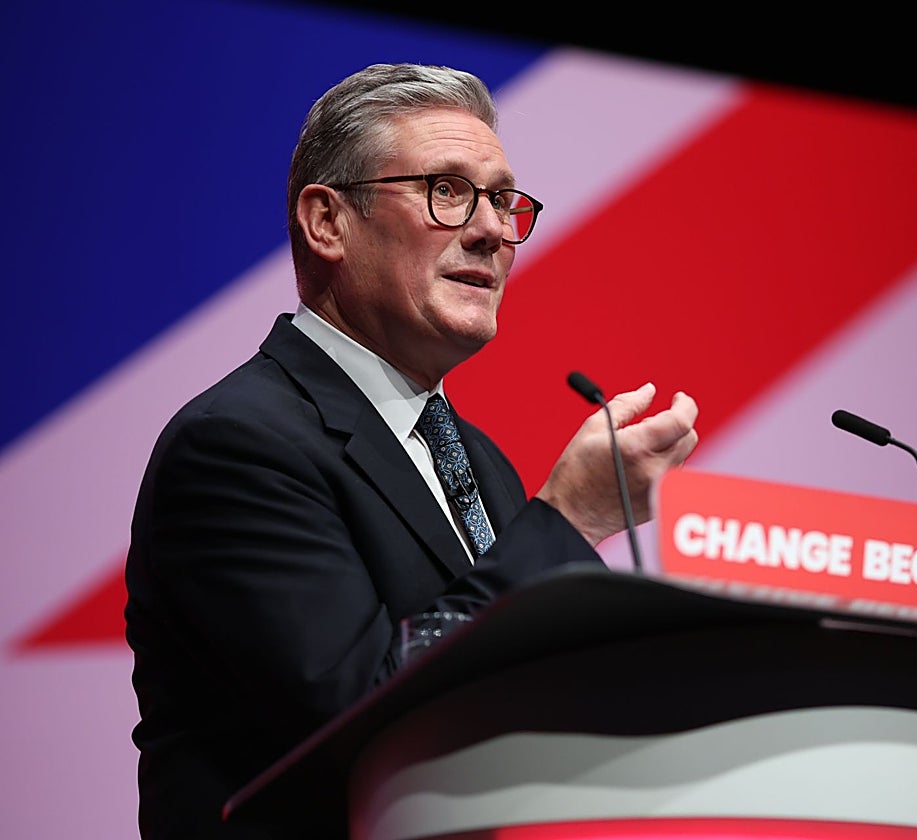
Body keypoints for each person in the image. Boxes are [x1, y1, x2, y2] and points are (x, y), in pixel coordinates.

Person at [123, 62, 699, 839]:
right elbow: (368, 718)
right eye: (449, 190)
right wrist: (566, 521)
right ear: (327, 222)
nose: (494, 230)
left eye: (502, 199)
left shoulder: (477, 459)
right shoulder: (236, 447)